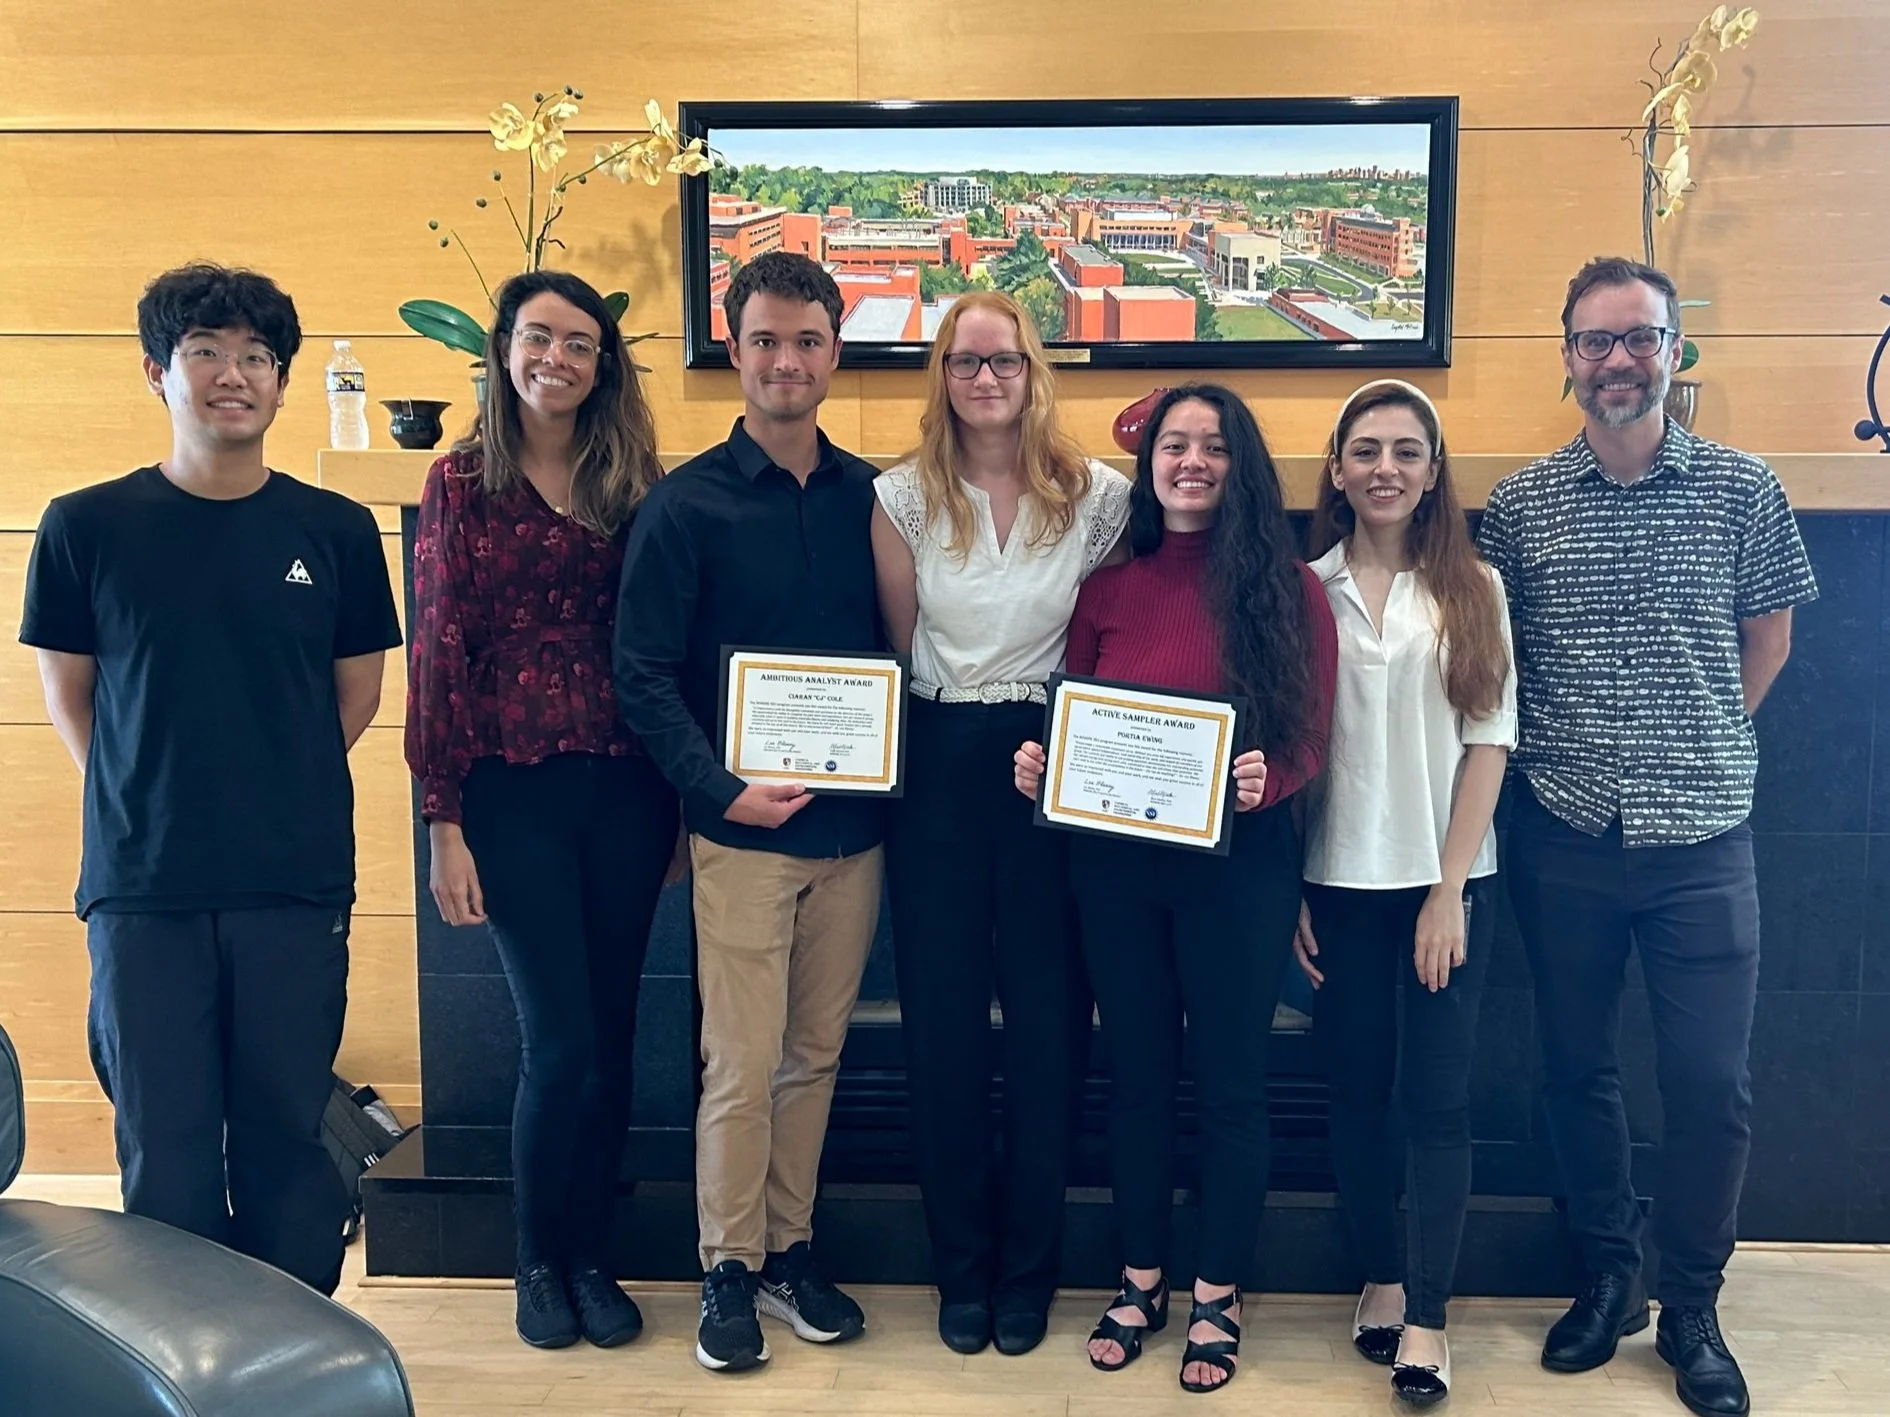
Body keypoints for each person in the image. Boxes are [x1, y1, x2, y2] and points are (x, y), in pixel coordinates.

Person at [18, 263, 401, 1296]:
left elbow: (356, 695)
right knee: (166, 1140)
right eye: (206, 353)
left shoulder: (334, 531)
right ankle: (180, 1356)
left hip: (293, 878)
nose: (234, 375)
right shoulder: (85, 526)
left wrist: (271, 782)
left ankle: (291, 1347)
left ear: (281, 381)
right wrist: (150, 798)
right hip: (145, 888)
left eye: (256, 357)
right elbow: (73, 700)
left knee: (286, 1136)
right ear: (157, 371)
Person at [1477, 257, 1817, 1417]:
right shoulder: (1522, 506)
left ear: (1674, 350)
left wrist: (1697, 743)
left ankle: (1693, 1307)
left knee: (1710, 1084)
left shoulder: (1744, 487)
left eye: (1639, 338)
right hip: (1565, 830)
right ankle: (1609, 1274)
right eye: (1596, 340)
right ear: (1567, 356)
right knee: (1574, 1067)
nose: (1617, 360)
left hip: (1702, 837)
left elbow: (1768, 640)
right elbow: (1503, 668)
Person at [1014, 384, 1338, 1393]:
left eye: (1213, 446)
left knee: (1232, 1081)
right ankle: (1142, 1275)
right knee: (1139, 1075)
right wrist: (1043, 767)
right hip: (1115, 871)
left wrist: (1267, 780)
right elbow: (1072, 716)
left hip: (1240, 869)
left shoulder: (1291, 588)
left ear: (1242, 466)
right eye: (1173, 445)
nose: (1191, 461)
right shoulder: (1106, 587)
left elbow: (1312, 735)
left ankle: (1218, 1289)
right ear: (1148, 464)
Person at [613, 250, 881, 1374]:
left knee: (813, 1055)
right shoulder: (684, 505)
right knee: (740, 1060)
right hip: (741, 834)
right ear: (735, 349)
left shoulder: (879, 498)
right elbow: (640, 673)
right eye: (766, 339)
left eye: (808, 340)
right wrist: (720, 789)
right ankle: (725, 1264)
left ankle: (787, 1250)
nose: (787, 360)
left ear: (835, 351)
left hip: (854, 836)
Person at [406, 270, 678, 1349]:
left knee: (611, 1038)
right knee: (558, 1041)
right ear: (503, 350)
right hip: (508, 790)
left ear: (603, 365)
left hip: (627, 786)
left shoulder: (635, 482)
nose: (556, 358)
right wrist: (442, 818)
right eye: (539, 337)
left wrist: (684, 800)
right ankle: (537, 1258)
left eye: (579, 343)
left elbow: (666, 643)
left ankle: (593, 1259)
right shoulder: (458, 481)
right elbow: (437, 649)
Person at [870, 291, 1130, 1357]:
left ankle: (1029, 1270)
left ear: (1034, 371)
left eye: (1005, 361)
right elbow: (902, 643)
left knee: (1048, 1027)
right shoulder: (899, 496)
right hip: (937, 759)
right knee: (939, 1028)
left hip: (1051, 766)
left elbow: (1105, 640)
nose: (987, 379)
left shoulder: (1099, 495)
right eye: (967, 361)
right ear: (942, 374)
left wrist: (1061, 747)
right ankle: (961, 1270)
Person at [1292, 379, 1517, 1408]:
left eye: (1407, 451)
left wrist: (1447, 891)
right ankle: (1380, 1273)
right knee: (1353, 1093)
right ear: (1338, 470)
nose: (1386, 468)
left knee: (1436, 1099)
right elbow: (1286, 749)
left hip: (1443, 888)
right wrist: (1290, 889)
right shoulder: (1305, 589)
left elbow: (1489, 743)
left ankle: (1427, 1314)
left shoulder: (1475, 588)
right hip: (1335, 882)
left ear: (1433, 472)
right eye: (1367, 450)